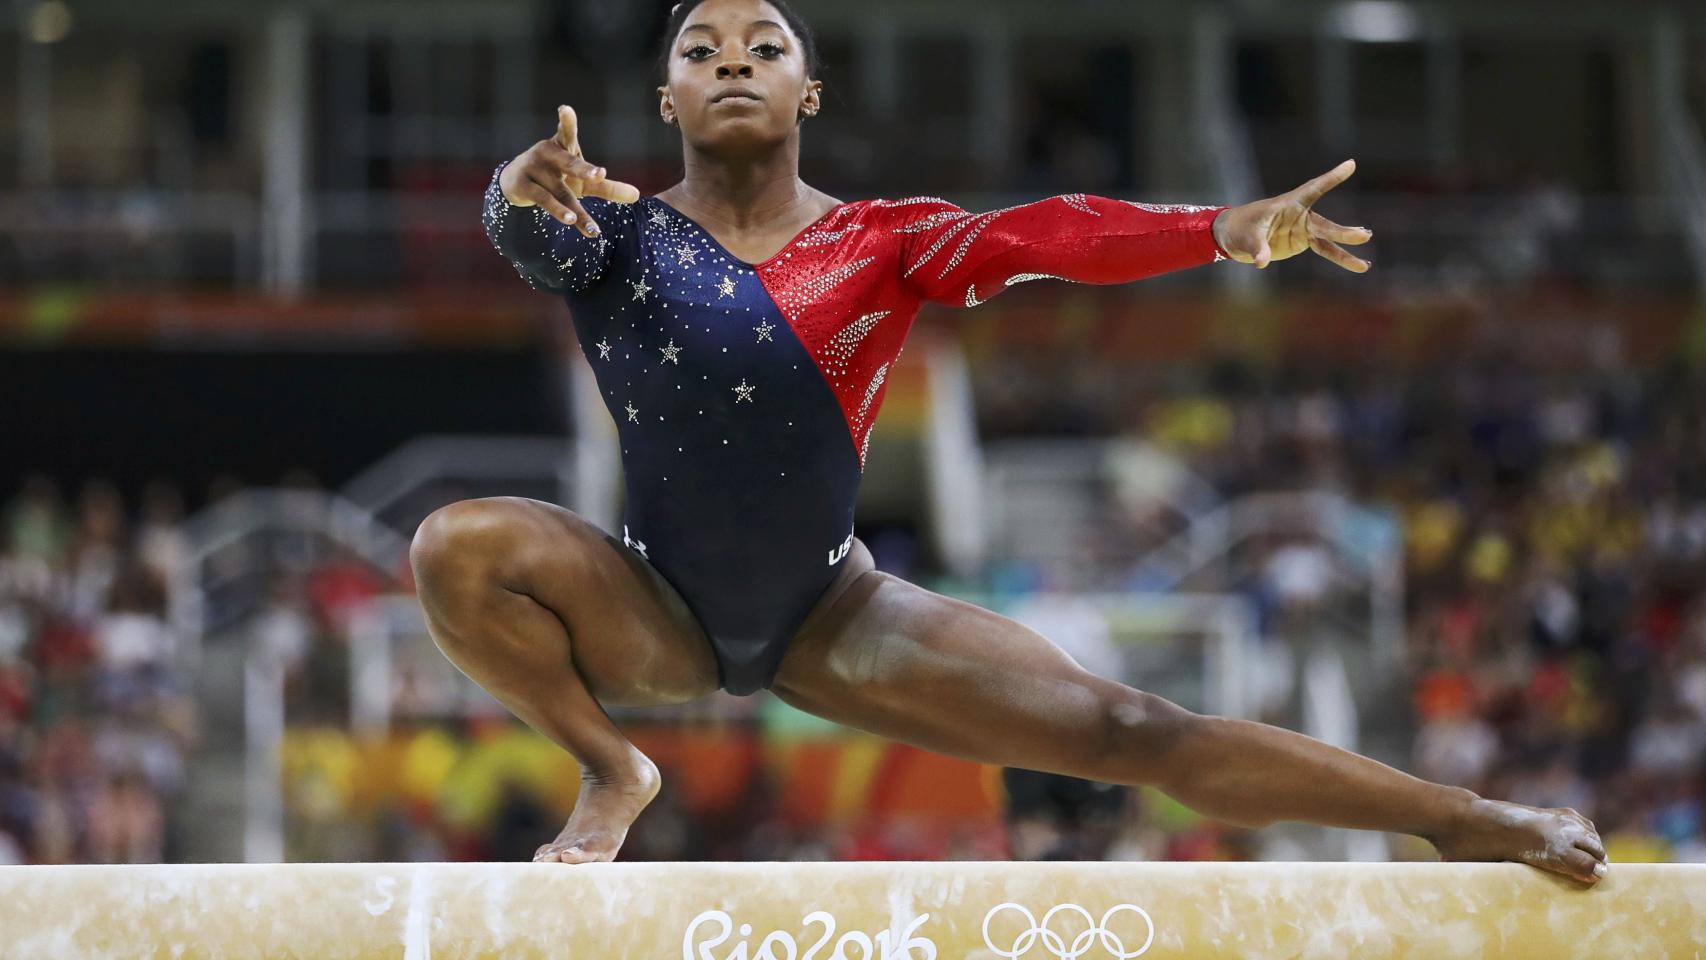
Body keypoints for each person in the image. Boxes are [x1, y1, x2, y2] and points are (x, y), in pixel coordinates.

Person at [414, 0, 1609, 883]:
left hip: (833, 615)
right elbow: (528, 240)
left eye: (764, 46)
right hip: (646, 606)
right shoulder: (613, 234)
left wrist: (1215, 229)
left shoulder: (884, 240)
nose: (733, 60)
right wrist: (516, 186)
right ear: (665, 98)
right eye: (701, 49)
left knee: (1132, 731)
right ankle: (611, 767)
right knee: (456, 545)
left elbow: (1042, 234)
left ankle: (1459, 820)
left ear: (809, 94)